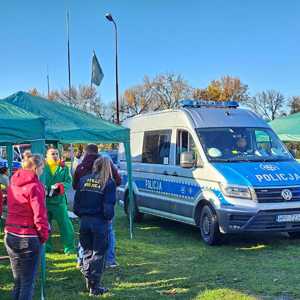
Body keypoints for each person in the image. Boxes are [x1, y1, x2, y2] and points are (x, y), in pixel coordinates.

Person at [4, 154, 49, 300]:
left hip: (11, 234)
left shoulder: (13, 181)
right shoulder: (35, 187)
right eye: (42, 167)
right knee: (27, 282)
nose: (42, 170)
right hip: (27, 236)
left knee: (18, 280)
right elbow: (40, 216)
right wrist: (44, 235)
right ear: (36, 168)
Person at [74, 156, 117, 296]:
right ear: (108, 167)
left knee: (87, 250)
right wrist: (108, 218)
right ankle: (94, 285)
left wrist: (83, 215)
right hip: (99, 222)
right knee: (98, 253)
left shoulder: (83, 180)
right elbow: (108, 208)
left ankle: (88, 277)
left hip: (85, 220)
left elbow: (76, 204)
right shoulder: (108, 183)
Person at [73, 144, 121, 268]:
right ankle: (109, 261)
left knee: (85, 239)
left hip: (86, 211)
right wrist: (108, 215)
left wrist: (80, 212)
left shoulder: (81, 167)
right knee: (106, 236)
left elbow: (75, 188)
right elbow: (118, 181)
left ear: (85, 152)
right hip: (101, 214)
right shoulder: (107, 166)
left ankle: (81, 261)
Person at [44, 147, 75, 254]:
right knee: (45, 225)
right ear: (47, 156)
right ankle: (46, 246)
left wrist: (60, 186)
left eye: (56, 153)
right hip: (45, 202)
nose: (55, 156)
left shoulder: (64, 168)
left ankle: (69, 247)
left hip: (59, 202)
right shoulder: (42, 167)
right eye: (52, 154)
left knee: (65, 225)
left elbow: (69, 181)